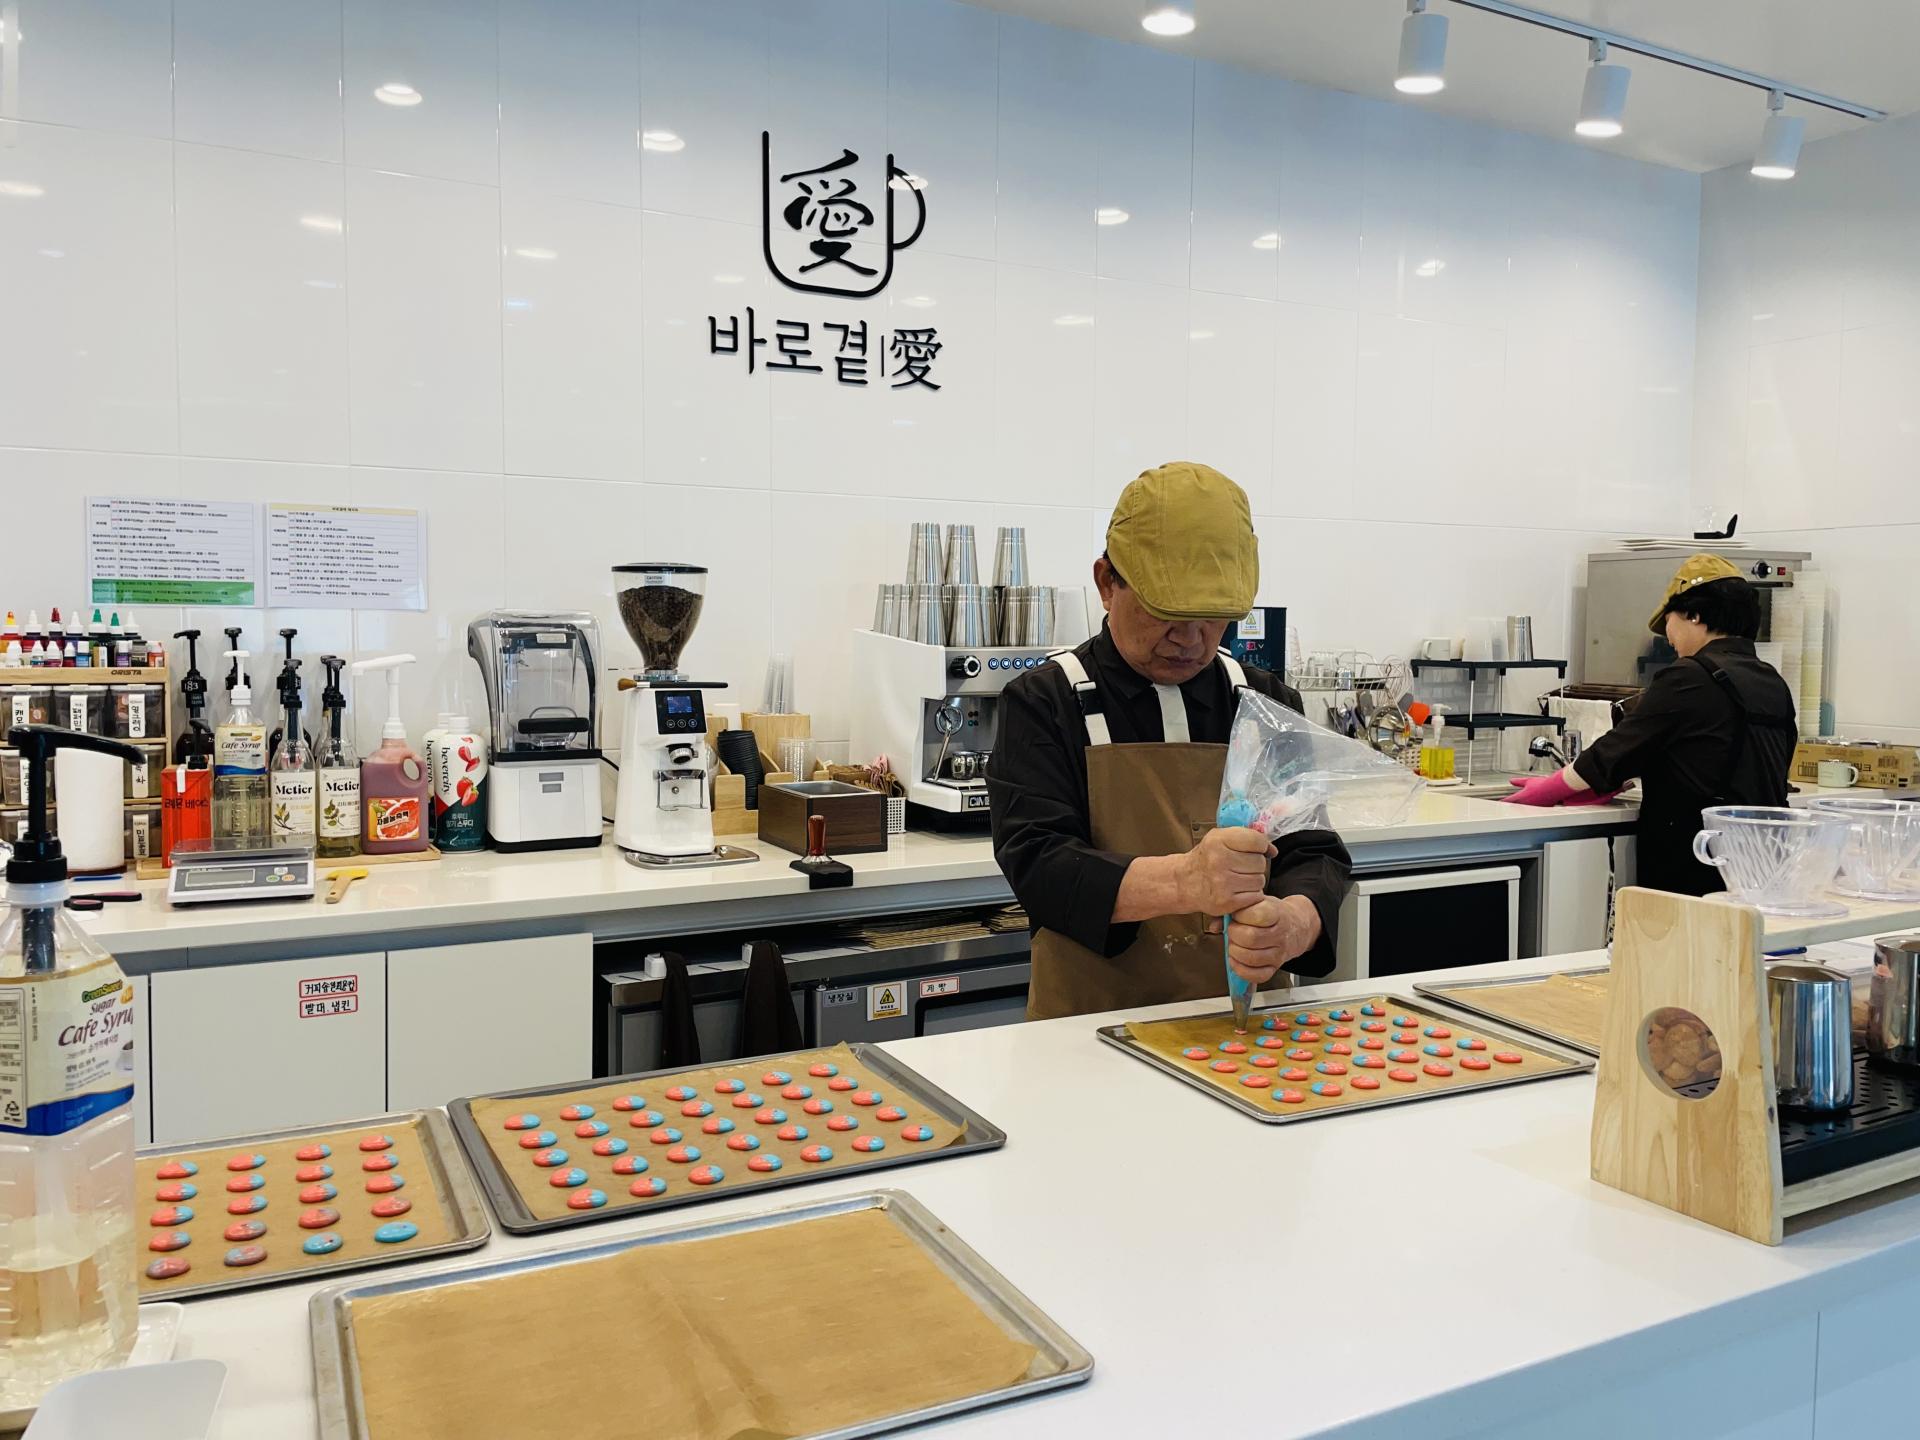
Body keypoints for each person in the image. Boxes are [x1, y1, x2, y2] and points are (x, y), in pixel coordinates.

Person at [988, 462, 1353, 1020]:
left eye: (1212, 619)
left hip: (1251, 1030)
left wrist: (1294, 924)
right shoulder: (1045, 702)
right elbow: (1040, 864)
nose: (1190, 639)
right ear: (1107, 583)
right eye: (1166, 614)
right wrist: (1185, 881)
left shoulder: (1262, 702)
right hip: (1089, 1031)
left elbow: (1313, 850)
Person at [1506, 554, 1797, 895]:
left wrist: (1550, 789)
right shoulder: (1772, 681)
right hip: (1760, 865)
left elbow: (1617, 751)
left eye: (1669, 621)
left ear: (1694, 615)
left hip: (1695, 861)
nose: (1668, 638)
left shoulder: (1690, 676)